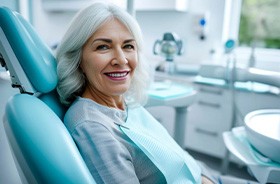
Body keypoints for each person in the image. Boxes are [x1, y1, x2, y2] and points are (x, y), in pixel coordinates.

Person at [56, 2, 251, 184]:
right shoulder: (91, 126)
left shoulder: (125, 103)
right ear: (78, 58)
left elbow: (179, 155)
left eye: (128, 46)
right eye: (103, 47)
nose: (122, 59)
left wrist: (206, 177)